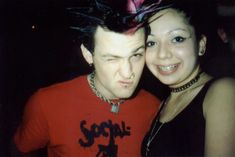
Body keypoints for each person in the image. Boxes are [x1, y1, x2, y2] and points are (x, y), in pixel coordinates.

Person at [13, 0, 162, 157]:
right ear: (88, 54)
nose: (127, 73)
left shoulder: (157, 110)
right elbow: (21, 150)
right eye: (111, 58)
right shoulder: (45, 104)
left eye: (136, 55)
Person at [140, 0, 235, 157]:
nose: (162, 54)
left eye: (177, 39)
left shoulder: (223, 92)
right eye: (151, 42)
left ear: (201, 45)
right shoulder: (162, 104)